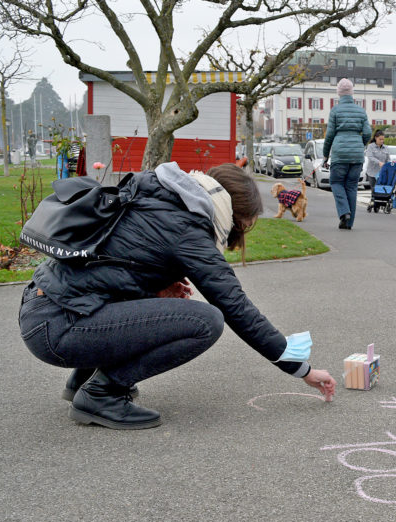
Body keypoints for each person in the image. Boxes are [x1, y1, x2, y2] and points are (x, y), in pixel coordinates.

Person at [18, 161, 336, 430]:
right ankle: (102, 394)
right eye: (243, 227)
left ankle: (82, 381)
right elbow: (236, 307)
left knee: (167, 304)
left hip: (43, 310)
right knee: (206, 321)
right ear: (233, 213)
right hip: (59, 327)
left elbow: (113, 265)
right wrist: (302, 369)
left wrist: (154, 285)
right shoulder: (188, 229)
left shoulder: (158, 194)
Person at [322, 78, 371, 230]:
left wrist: (325, 155)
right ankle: (349, 223)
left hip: (339, 154)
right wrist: (360, 144)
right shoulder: (361, 111)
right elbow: (368, 133)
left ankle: (344, 212)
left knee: (336, 183)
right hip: (356, 156)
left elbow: (329, 135)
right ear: (352, 93)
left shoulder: (335, 110)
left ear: (339, 93)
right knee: (351, 187)